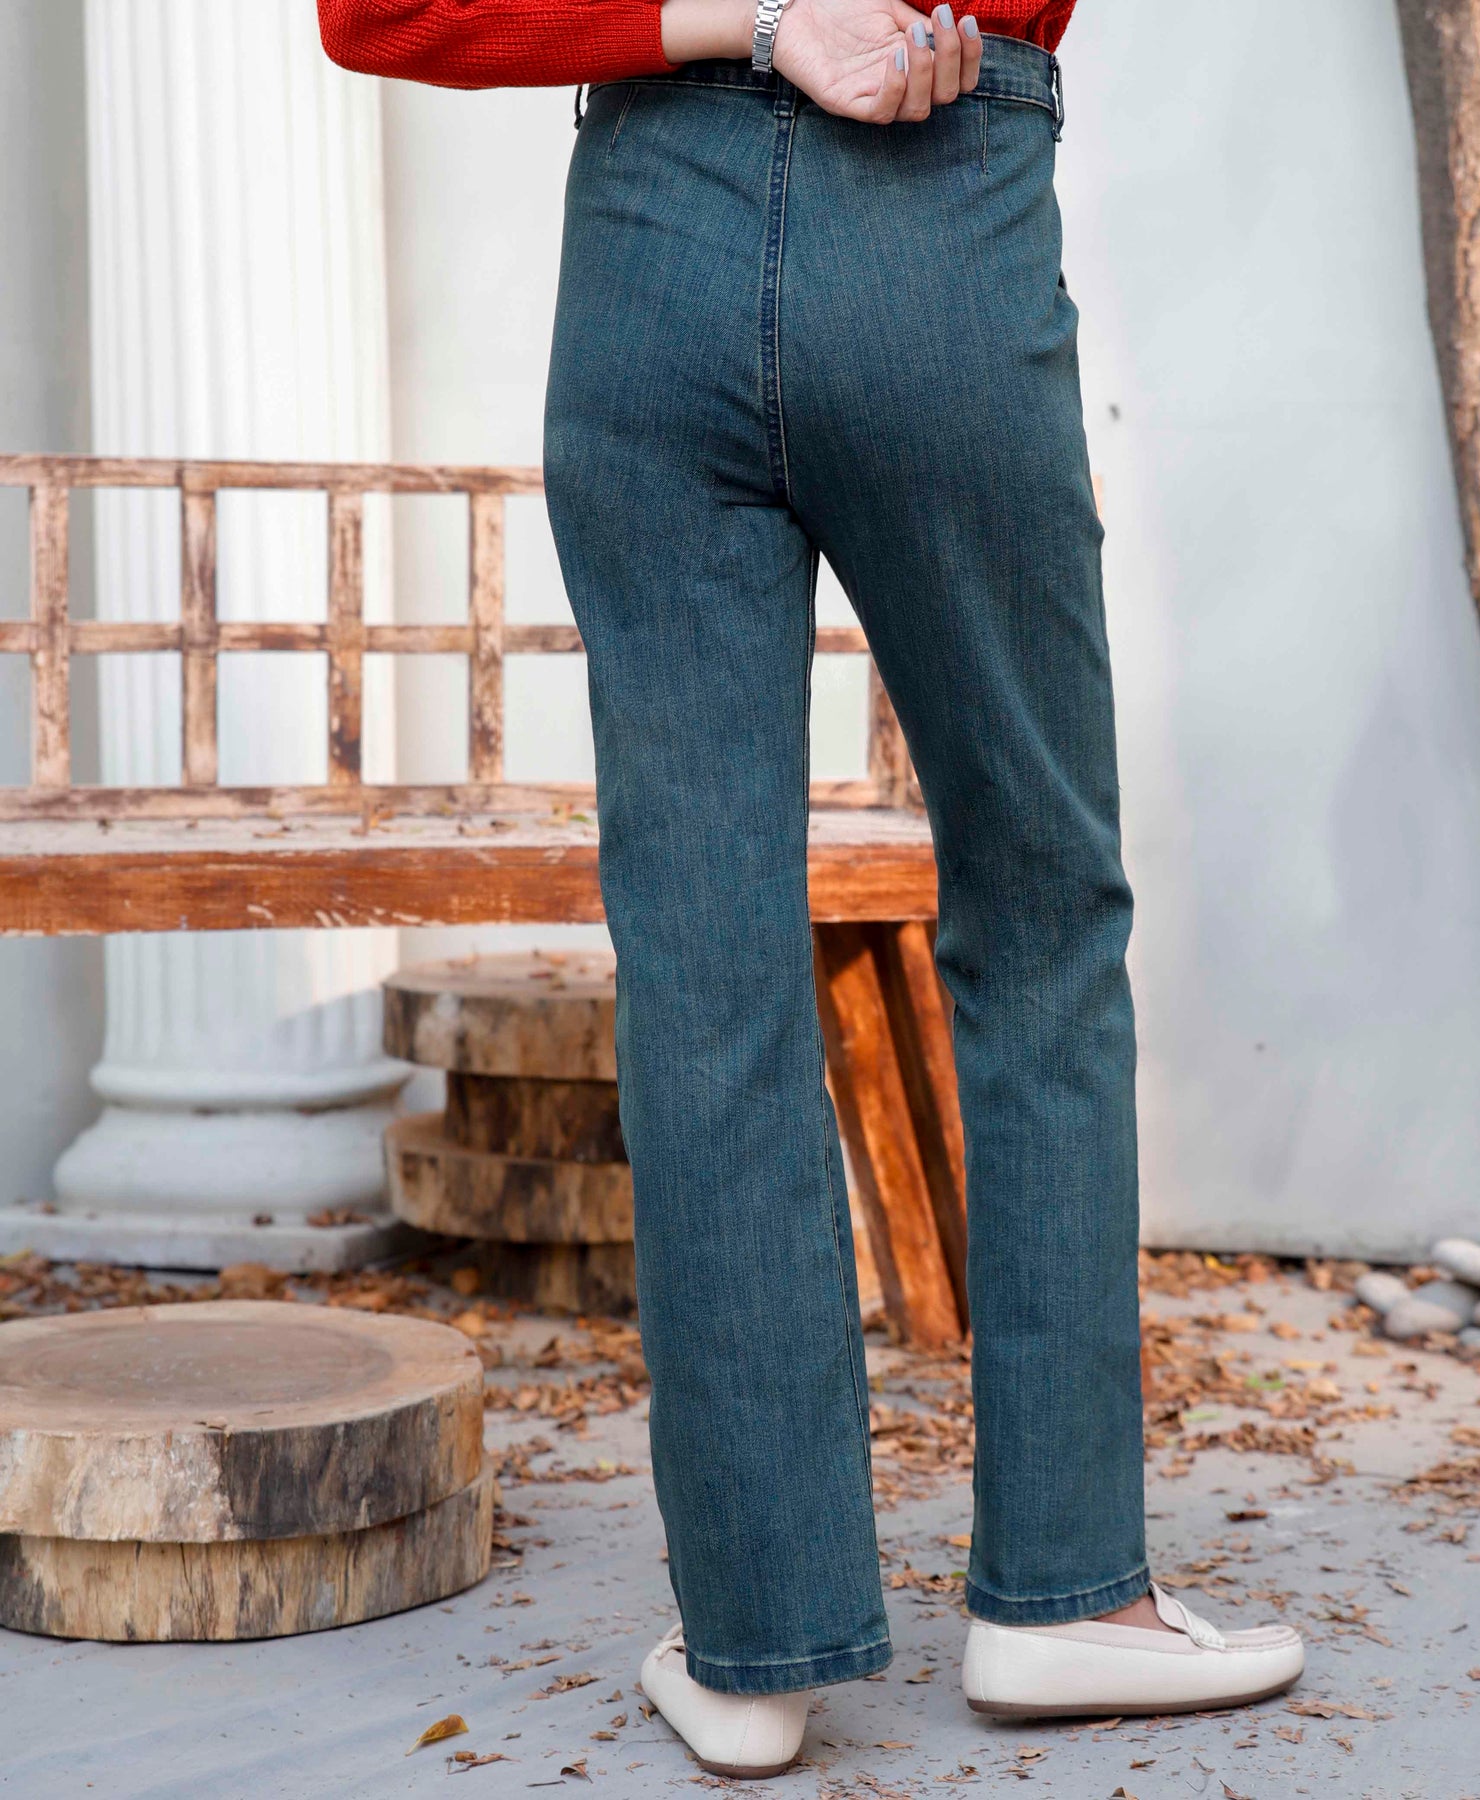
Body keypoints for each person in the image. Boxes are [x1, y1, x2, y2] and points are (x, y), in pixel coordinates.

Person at [319, 0, 1303, 1778]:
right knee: (1038, 912)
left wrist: (753, 22)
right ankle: (1066, 1595)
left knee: (705, 963)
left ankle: (753, 1647)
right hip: (940, 206)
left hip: (650, 246)